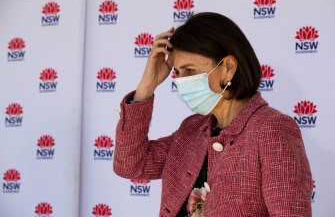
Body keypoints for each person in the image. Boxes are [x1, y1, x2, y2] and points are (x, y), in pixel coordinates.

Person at [113, 12, 313, 217]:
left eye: (190, 71)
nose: (181, 81)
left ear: (228, 67)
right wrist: (147, 85)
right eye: (178, 73)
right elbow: (130, 165)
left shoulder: (272, 129)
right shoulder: (191, 130)